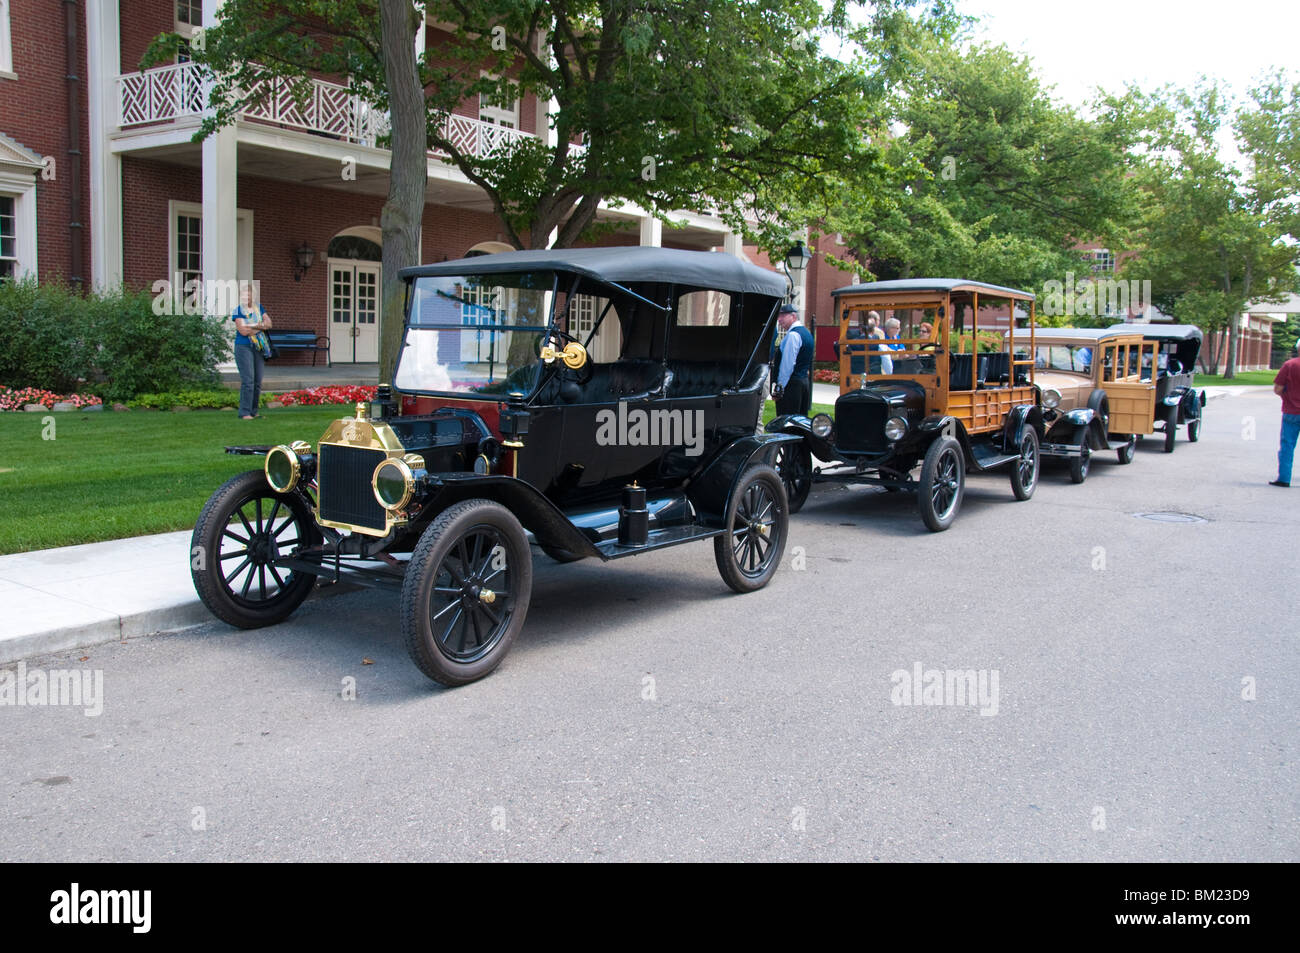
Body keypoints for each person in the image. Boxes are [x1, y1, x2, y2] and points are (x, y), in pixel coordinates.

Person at [232, 283, 273, 420]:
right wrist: (260, 327)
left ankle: (254, 412)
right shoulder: (238, 311)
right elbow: (243, 331)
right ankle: (244, 413)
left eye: (249, 293)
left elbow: (269, 324)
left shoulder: (259, 308)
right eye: (244, 294)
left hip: (258, 347)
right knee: (248, 380)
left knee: (257, 381)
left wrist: (252, 327)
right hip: (243, 347)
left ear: (253, 295)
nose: (246, 296)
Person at [773, 303, 813, 417]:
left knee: (786, 423)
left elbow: (787, 366)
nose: (779, 320)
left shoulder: (793, 335)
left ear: (793, 316)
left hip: (792, 386)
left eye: (782, 316)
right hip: (803, 383)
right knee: (800, 421)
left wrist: (779, 388)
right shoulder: (807, 334)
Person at [1271, 339, 1300, 487]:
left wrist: (1287, 396)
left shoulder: (1289, 365)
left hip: (1291, 411)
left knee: (1287, 445)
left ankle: (1284, 478)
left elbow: (1278, 389)